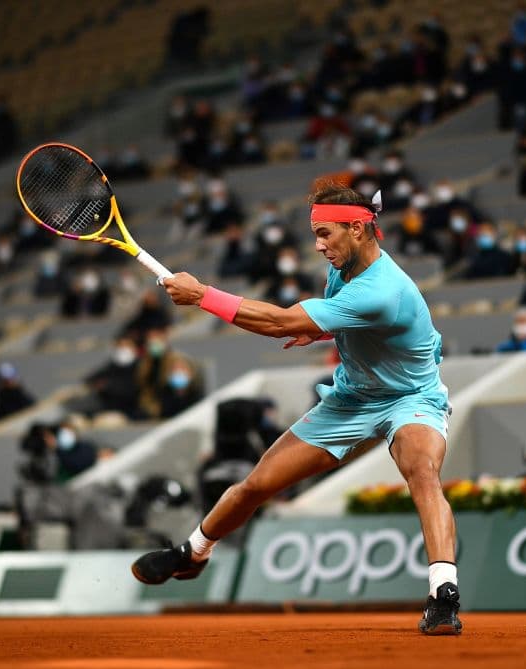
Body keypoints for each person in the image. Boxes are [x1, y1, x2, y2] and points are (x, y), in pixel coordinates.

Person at [131, 185, 462, 635]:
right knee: (256, 485)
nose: (318, 245)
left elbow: (279, 322)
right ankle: (193, 552)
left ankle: (443, 595)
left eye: (325, 234)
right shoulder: (343, 269)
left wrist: (201, 295)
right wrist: (323, 331)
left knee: (422, 471)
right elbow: (350, 320)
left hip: (411, 397)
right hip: (351, 398)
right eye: (315, 234)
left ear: (357, 228)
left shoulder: (384, 289)